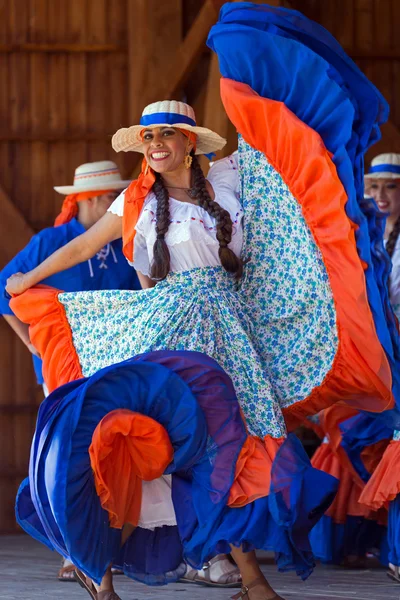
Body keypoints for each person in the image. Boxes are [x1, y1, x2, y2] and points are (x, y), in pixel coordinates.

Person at [5, 4, 398, 600]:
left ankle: (252, 579)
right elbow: (85, 243)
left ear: (190, 143)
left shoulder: (232, 181)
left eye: (167, 135)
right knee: (144, 438)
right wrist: (28, 274)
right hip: (163, 328)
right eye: (149, 137)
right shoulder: (132, 202)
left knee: (232, 442)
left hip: (227, 330)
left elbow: (287, 157)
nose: (157, 145)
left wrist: (252, 69)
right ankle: (101, 571)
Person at [0, 160, 141, 582]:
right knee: (67, 456)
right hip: (60, 367)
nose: (119, 205)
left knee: (111, 451)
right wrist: (31, 342)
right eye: (113, 198)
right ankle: (71, 550)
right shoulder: (51, 242)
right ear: (94, 199)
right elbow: (6, 289)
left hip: (113, 363)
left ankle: (109, 544)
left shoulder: (123, 243)